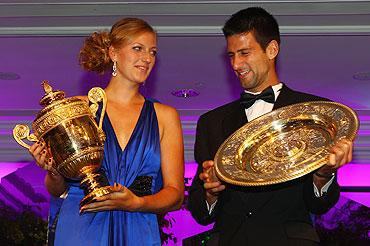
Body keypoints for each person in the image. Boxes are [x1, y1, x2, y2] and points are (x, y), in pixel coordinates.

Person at [188, 7, 353, 246]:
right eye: (231, 55)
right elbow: (201, 214)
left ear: (272, 49)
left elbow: (319, 205)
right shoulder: (211, 123)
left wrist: (324, 174)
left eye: (244, 53)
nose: (236, 64)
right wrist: (210, 192)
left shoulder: (315, 113)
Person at [29, 17, 184, 246]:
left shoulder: (165, 116)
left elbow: (175, 194)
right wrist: (52, 170)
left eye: (152, 52)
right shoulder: (80, 108)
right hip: (83, 225)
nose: (147, 58)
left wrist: (136, 203)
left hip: (138, 226)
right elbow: (57, 189)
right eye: (138, 48)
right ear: (113, 53)